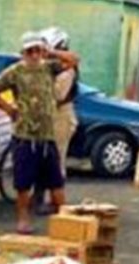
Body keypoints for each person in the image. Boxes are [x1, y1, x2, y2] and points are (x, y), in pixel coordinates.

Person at [0, 32, 78, 232]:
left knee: (56, 182)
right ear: (24, 53)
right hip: (25, 136)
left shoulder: (49, 67)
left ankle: (66, 223)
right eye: (30, 51)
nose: (34, 55)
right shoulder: (15, 71)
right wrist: (9, 109)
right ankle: (23, 220)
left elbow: (73, 60)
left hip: (47, 135)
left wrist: (50, 51)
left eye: (37, 50)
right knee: (23, 184)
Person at [44, 27, 78, 177]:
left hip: (61, 116)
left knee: (56, 159)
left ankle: (57, 197)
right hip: (50, 114)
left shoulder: (67, 68)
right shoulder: (52, 65)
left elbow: (58, 95)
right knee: (44, 160)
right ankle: (41, 193)